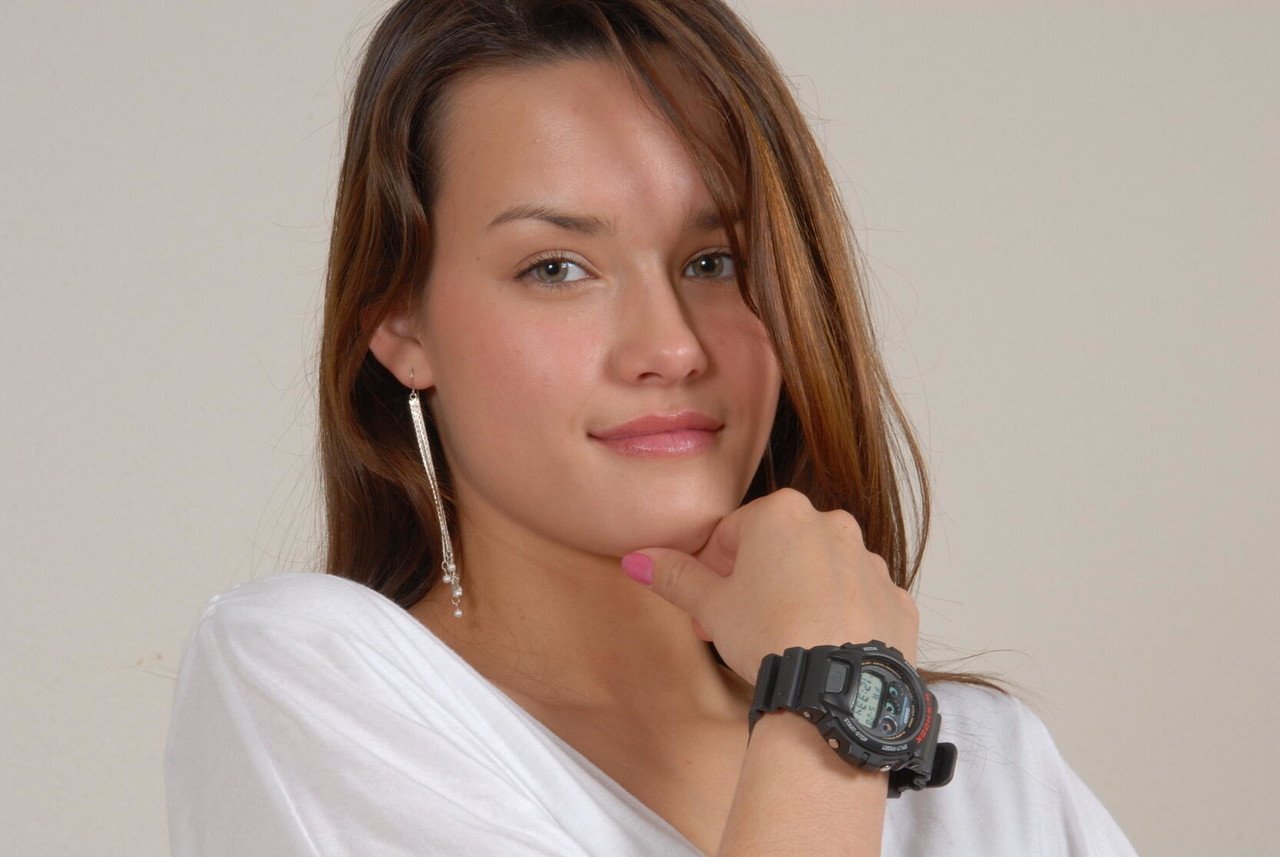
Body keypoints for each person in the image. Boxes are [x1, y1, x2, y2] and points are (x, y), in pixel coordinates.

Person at [165, 1, 1139, 854]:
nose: (670, 347)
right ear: (399, 322)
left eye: (714, 260)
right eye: (555, 268)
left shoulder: (990, 766)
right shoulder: (312, 679)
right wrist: (830, 697)